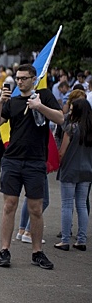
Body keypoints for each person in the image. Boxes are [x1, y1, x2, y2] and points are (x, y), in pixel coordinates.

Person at [0, 64, 63, 269]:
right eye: (18, 78)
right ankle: (4, 250)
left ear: (33, 79)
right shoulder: (12, 101)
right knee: (9, 205)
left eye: (24, 78)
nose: (19, 81)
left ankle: (37, 252)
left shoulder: (44, 95)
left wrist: (39, 107)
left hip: (35, 160)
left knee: (36, 209)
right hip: (12, 159)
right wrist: (0, 103)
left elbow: (60, 118)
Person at [55, 98, 92, 252]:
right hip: (87, 170)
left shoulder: (71, 128)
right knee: (82, 204)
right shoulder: (90, 130)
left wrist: (56, 162)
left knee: (67, 204)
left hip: (70, 169)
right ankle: (81, 239)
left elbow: (62, 152)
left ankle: (65, 240)